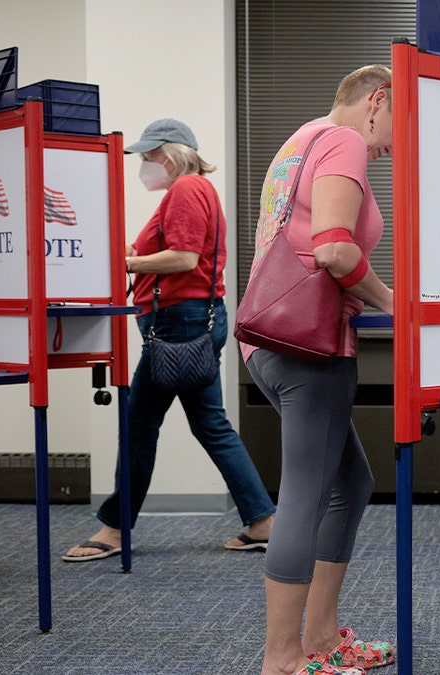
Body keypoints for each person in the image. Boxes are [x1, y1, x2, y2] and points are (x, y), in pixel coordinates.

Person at [63, 119, 275, 562]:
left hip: (179, 324)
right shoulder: (194, 191)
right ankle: (262, 521)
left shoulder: (185, 191)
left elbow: (183, 258)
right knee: (210, 424)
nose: (144, 165)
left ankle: (115, 529)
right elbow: (175, 254)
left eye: (149, 155)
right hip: (192, 321)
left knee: (139, 427)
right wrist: (131, 256)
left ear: (174, 153)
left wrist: (127, 266)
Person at [242, 65, 396, 675]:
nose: (389, 149)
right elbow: (333, 247)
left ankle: (323, 638)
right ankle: (283, 658)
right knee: (306, 494)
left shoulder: (299, 139)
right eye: (397, 129)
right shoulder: (347, 140)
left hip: (270, 343)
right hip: (307, 348)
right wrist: (395, 301)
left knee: (349, 484)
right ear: (376, 100)